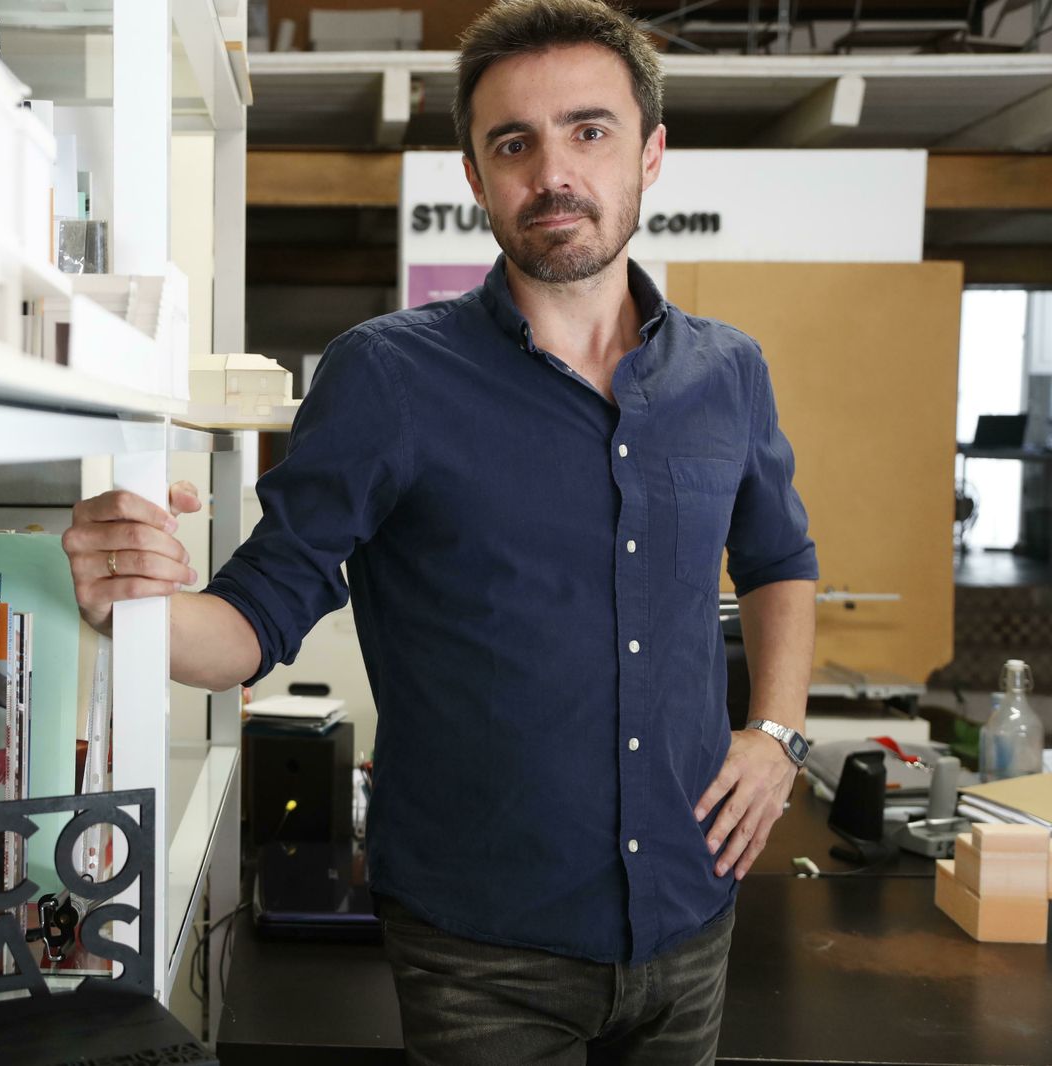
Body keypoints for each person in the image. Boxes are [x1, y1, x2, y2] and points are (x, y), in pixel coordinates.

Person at [60, 0, 817, 1061]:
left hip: (693, 917)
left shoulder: (726, 372)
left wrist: (775, 734)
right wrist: (131, 596)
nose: (552, 170)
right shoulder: (388, 375)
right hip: (483, 951)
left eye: (588, 131)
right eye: (514, 142)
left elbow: (780, 560)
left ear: (650, 154)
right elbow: (252, 617)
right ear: (476, 176)